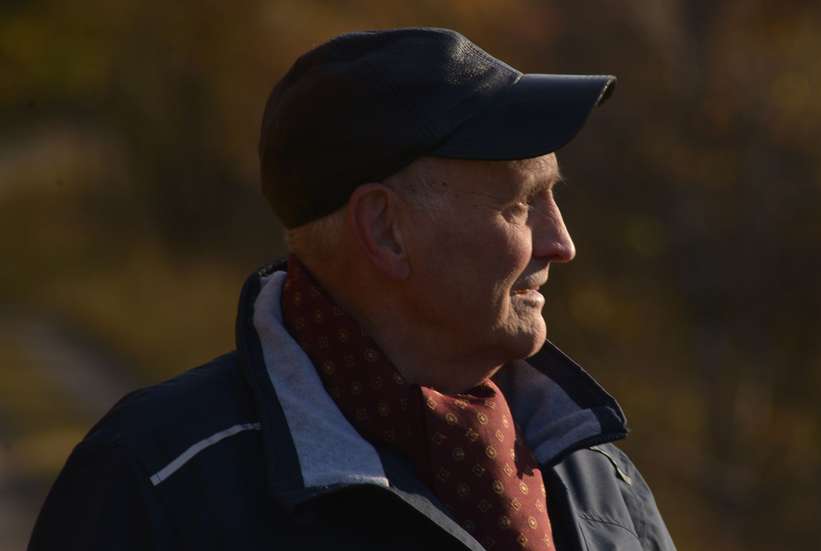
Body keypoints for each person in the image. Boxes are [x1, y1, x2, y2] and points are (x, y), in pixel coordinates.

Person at [29, 28, 676, 551]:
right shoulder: (156, 482)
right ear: (386, 230)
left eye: (552, 199)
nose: (561, 243)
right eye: (519, 204)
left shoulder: (598, 479)